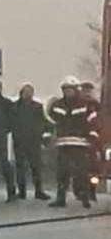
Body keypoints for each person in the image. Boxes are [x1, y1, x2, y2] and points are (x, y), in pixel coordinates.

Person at [48, 76, 95, 209]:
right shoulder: (57, 105)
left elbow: (92, 122)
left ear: (75, 90)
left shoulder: (84, 105)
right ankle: (61, 198)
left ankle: (84, 197)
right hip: (63, 144)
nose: (68, 92)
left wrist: (92, 136)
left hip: (80, 144)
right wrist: (48, 137)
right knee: (62, 172)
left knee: (81, 172)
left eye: (70, 89)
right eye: (66, 89)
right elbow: (51, 121)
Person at [11, 83, 52, 200]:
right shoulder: (15, 107)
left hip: (34, 141)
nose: (28, 94)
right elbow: (10, 122)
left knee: (36, 167)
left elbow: (45, 122)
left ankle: (39, 191)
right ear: (21, 93)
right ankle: (22, 192)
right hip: (20, 141)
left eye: (30, 92)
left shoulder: (38, 107)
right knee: (20, 168)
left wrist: (45, 135)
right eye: (26, 92)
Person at [80, 80, 102, 202]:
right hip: (79, 140)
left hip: (93, 141)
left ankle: (92, 191)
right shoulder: (77, 104)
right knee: (80, 168)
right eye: (85, 90)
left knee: (94, 168)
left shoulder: (96, 105)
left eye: (89, 90)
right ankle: (81, 191)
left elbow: (99, 121)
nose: (87, 93)